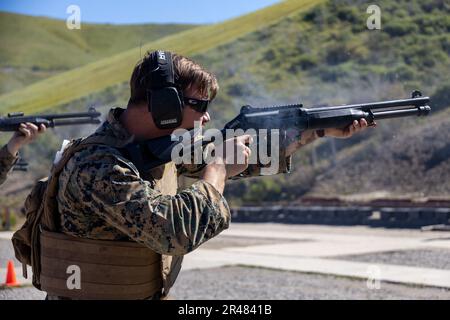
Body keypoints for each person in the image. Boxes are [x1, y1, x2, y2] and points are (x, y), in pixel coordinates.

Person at [42, 51, 370, 300]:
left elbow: (250, 156)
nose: (207, 115)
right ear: (166, 104)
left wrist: (316, 130)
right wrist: (218, 171)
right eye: (199, 104)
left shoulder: (155, 147)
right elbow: (174, 232)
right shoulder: (98, 164)